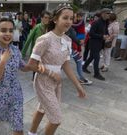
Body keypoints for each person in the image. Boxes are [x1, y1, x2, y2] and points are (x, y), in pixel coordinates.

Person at [26, 4, 86, 135]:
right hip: (43, 81)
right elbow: (31, 65)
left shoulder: (67, 40)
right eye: (65, 18)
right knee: (56, 119)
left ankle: (31, 133)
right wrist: (50, 73)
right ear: (55, 19)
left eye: (71, 18)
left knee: (42, 109)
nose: (69, 21)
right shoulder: (45, 39)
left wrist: (78, 85)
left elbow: (66, 64)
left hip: (56, 82)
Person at [0, 18, 35, 135]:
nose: (8, 34)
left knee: (18, 128)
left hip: (15, 95)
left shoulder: (15, 50)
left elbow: (23, 67)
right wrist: (2, 62)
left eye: (11, 30)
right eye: (4, 30)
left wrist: (33, 66)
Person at [82, 8, 111, 81]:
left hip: (100, 43)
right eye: (108, 13)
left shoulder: (105, 22)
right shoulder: (96, 22)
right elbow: (91, 33)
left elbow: (106, 30)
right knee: (97, 58)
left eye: (109, 13)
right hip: (93, 43)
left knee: (92, 57)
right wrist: (102, 36)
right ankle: (96, 74)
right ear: (103, 14)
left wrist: (107, 35)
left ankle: (84, 67)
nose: (109, 15)